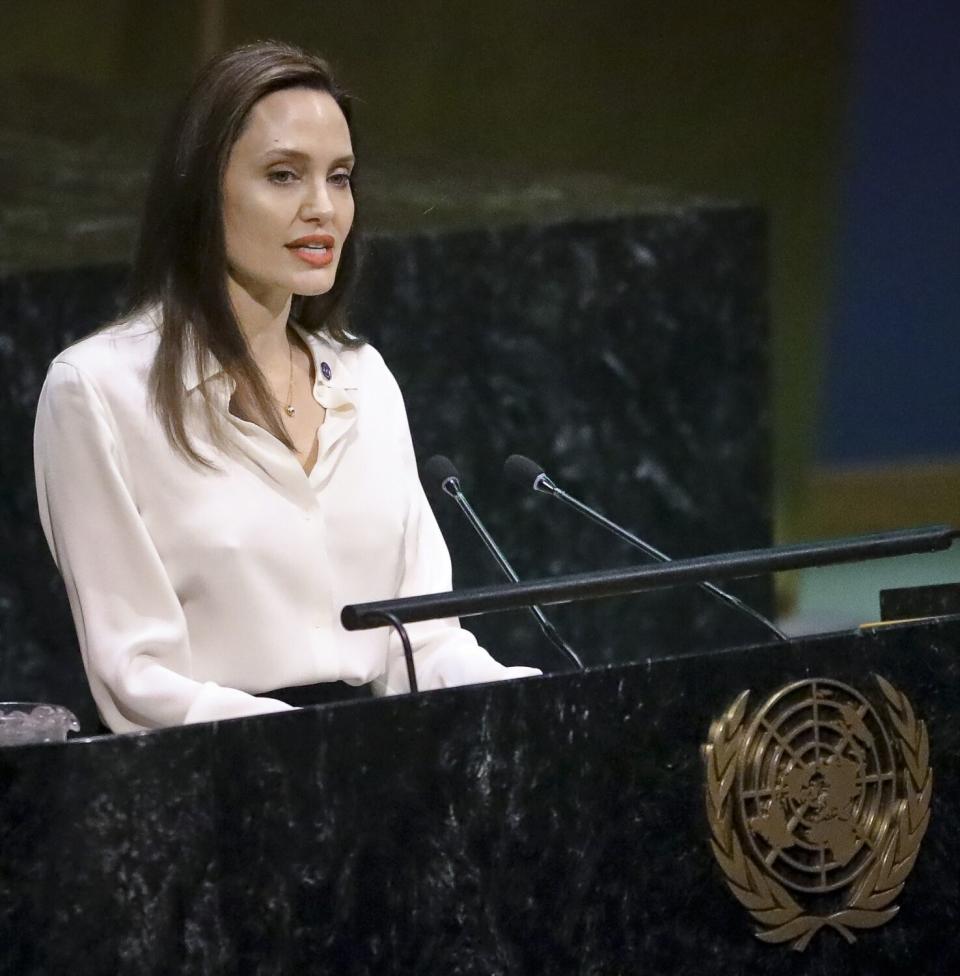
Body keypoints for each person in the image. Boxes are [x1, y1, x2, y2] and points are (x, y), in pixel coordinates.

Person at [33, 41, 539, 734]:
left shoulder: (367, 380)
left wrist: (533, 705)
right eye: (283, 175)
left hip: (390, 780)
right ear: (202, 191)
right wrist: (303, 757)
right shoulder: (97, 392)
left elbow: (422, 643)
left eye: (340, 177)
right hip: (220, 787)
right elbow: (137, 677)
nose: (322, 208)